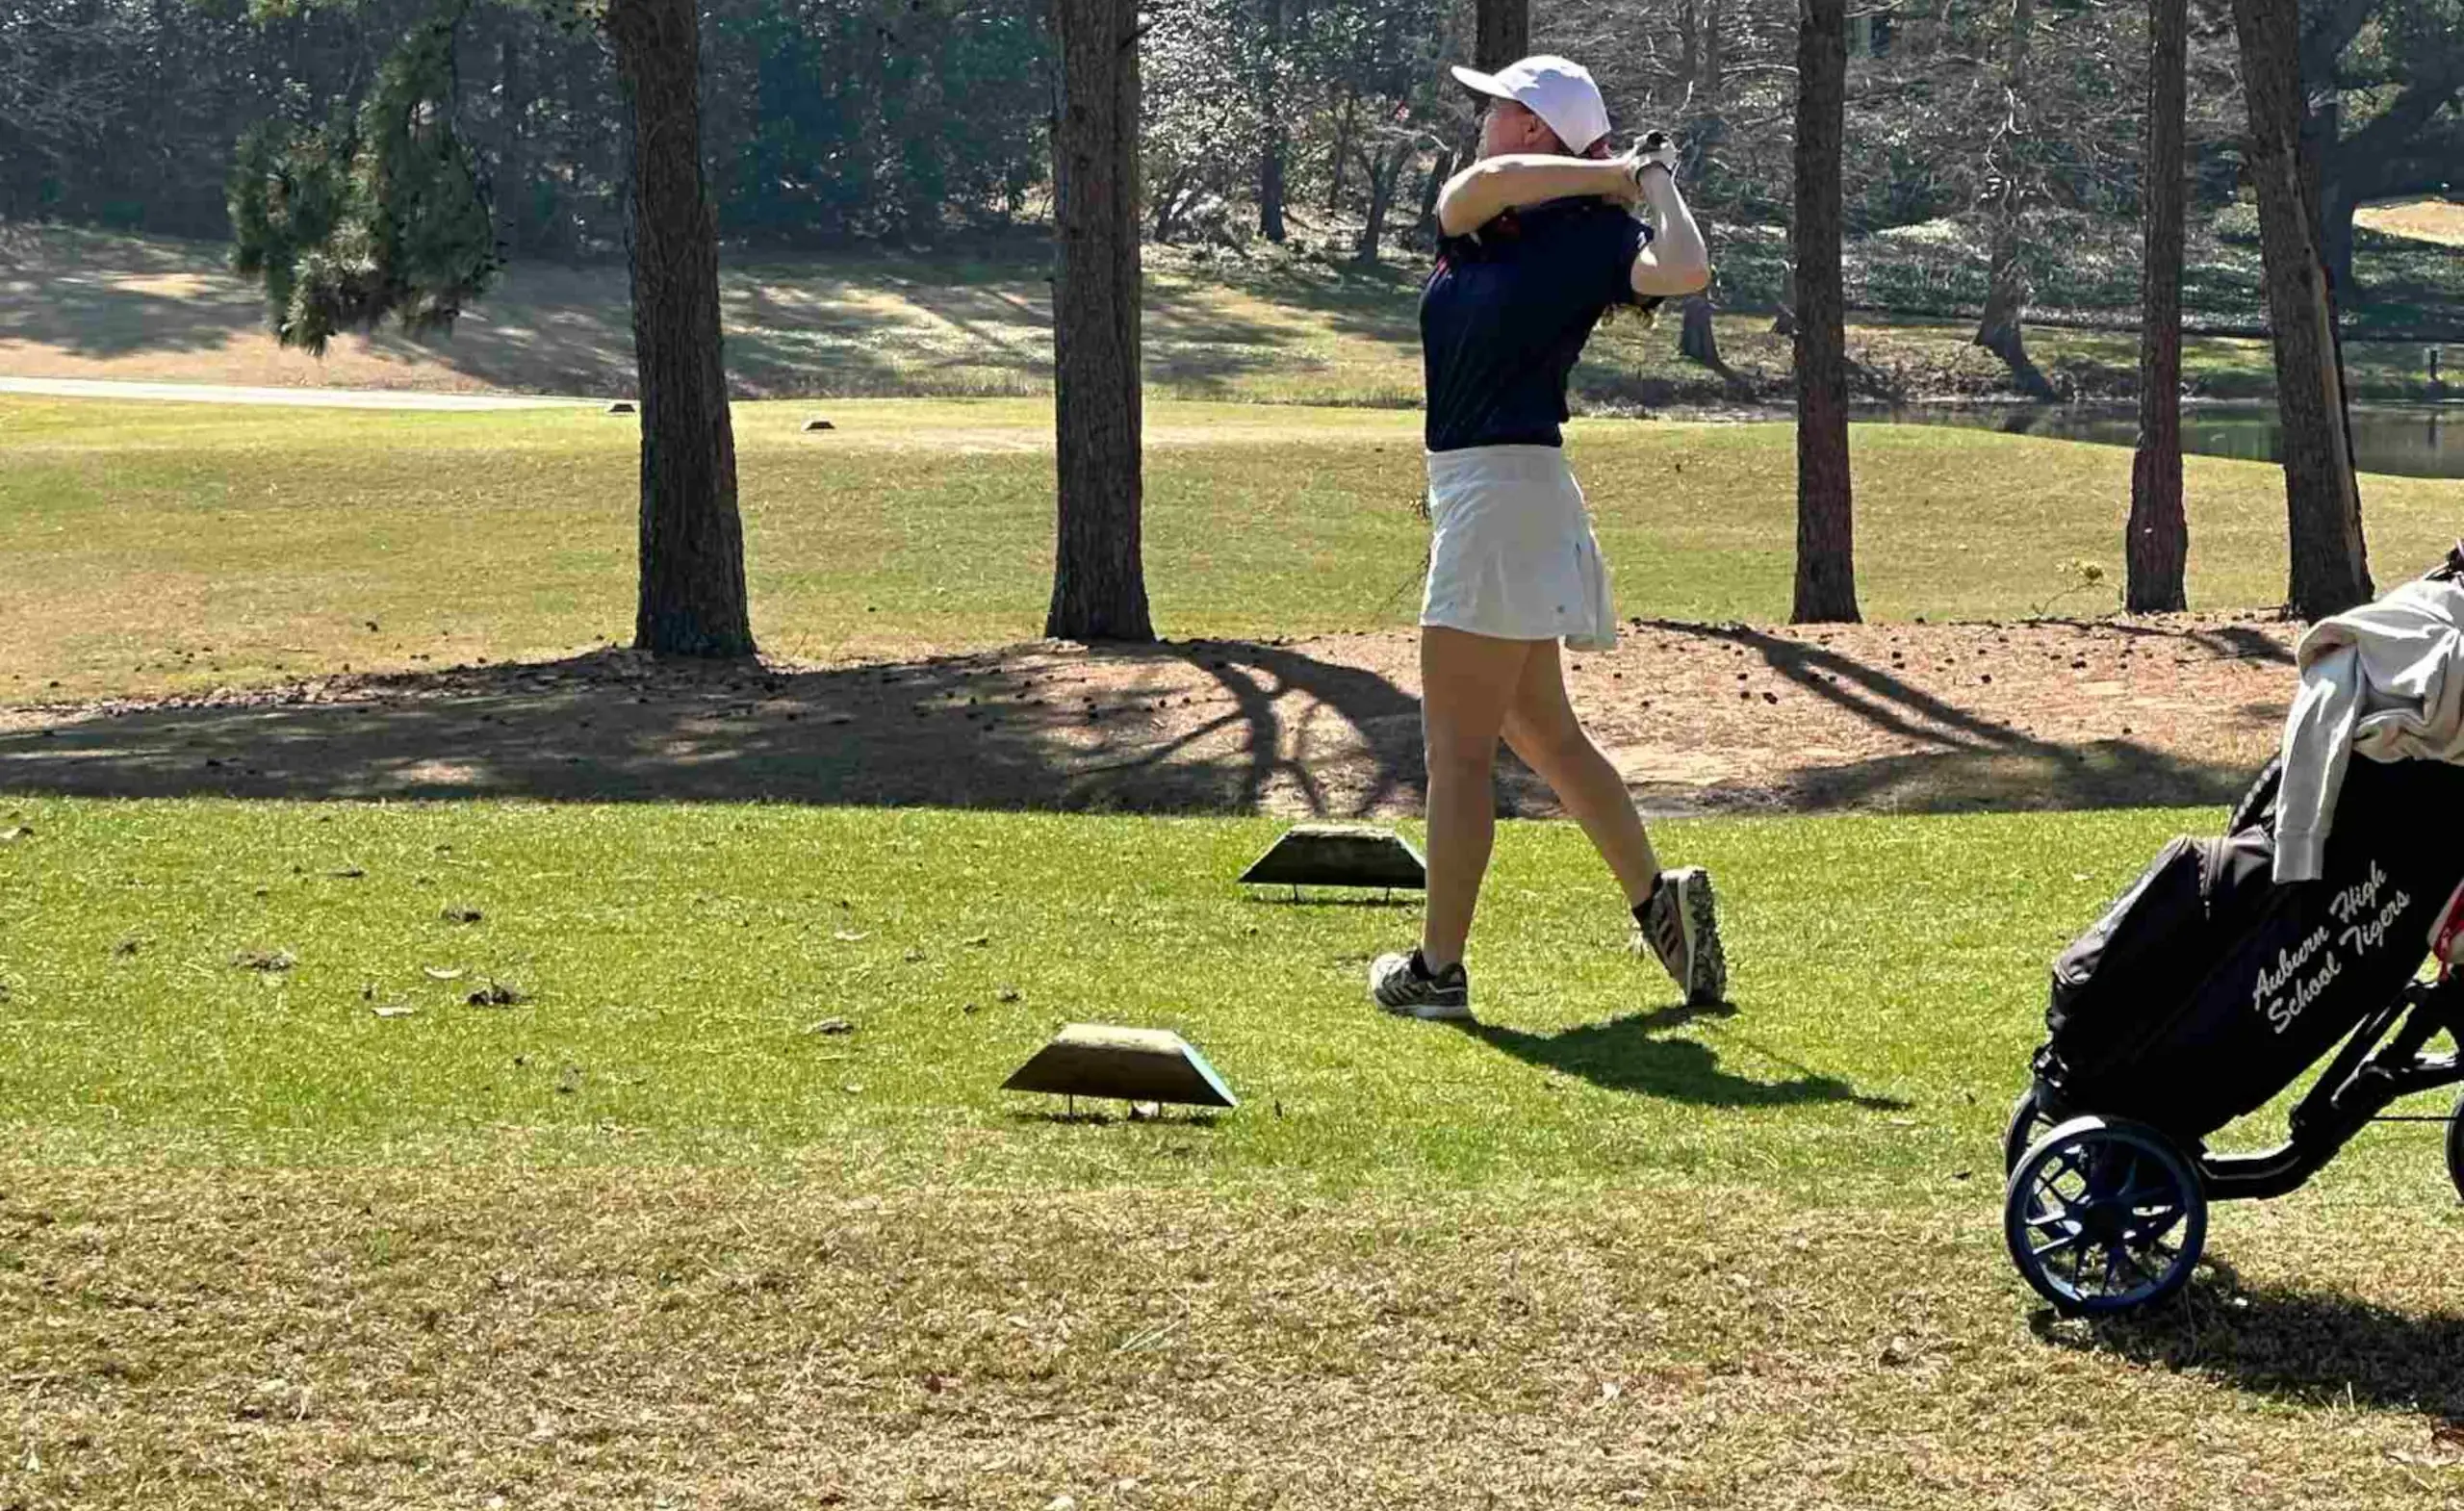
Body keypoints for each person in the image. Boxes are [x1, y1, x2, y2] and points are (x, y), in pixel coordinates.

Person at [1368, 54, 1726, 1023]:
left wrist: (1654, 184)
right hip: (1501, 496)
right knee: (1544, 733)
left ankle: (1436, 974)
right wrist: (1616, 172)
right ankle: (1662, 906)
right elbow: (1477, 186)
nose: (1483, 119)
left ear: (1532, 123)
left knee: (1458, 753)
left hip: (1501, 495)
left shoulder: (1595, 234)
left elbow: (1684, 269)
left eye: (1498, 107)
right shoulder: (1485, 214)